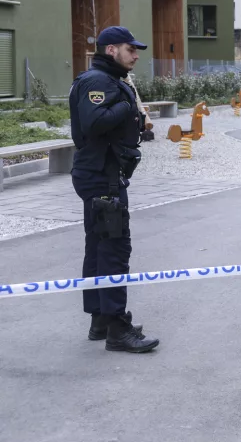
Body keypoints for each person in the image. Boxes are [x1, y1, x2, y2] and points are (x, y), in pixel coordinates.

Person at [70, 26, 159, 353]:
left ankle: (101, 320)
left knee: (98, 246)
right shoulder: (99, 82)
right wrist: (128, 106)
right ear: (111, 50)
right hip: (102, 175)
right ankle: (118, 329)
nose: (136, 55)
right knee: (114, 249)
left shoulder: (109, 80)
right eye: (130, 49)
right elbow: (94, 123)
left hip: (101, 172)